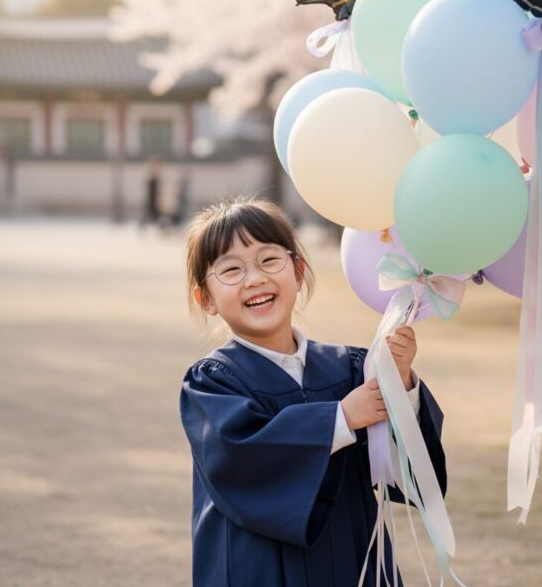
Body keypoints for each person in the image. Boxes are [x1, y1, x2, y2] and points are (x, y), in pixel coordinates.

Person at [180, 196, 447, 586]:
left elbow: (406, 476)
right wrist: (340, 419)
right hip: (259, 571)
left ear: (299, 271)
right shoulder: (213, 382)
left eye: (269, 260)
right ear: (206, 299)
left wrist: (400, 387)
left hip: (354, 565)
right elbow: (240, 459)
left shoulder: (350, 368)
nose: (254, 278)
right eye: (231, 270)